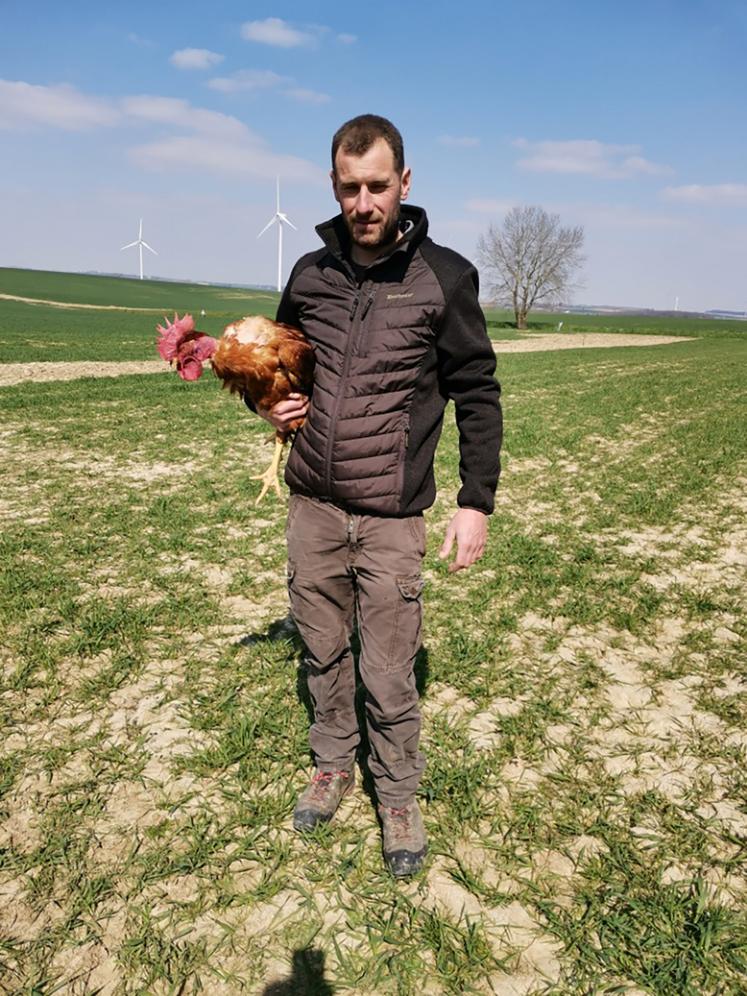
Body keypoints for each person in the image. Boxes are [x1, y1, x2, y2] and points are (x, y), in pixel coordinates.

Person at [257, 114, 502, 877]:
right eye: (348, 186)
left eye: (377, 185)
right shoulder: (308, 273)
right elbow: (278, 364)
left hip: (393, 514)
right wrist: (266, 404)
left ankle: (396, 793)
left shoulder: (445, 277)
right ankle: (331, 764)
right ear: (332, 185)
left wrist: (475, 499)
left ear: (404, 182)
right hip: (313, 506)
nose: (363, 202)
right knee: (323, 651)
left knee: (388, 668)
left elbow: (478, 392)